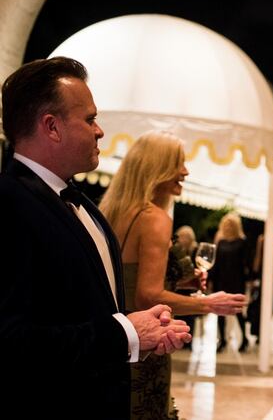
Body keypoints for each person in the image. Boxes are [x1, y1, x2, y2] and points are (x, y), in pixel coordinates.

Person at [0, 57, 191, 419]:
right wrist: (125, 334)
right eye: (89, 119)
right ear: (51, 127)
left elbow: (83, 312)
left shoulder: (82, 204)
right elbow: (12, 341)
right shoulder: (9, 205)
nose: (100, 131)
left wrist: (142, 330)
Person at [99, 131, 247, 418]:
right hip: (146, 346)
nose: (185, 171)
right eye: (178, 163)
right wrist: (209, 303)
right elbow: (148, 295)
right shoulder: (154, 218)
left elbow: (128, 276)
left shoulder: (111, 212)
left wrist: (181, 280)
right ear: (157, 168)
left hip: (114, 339)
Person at [212, 212, 251, 352]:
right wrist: (211, 280)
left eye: (230, 224)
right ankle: (222, 340)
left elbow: (246, 263)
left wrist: (249, 281)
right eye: (226, 224)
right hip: (221, 280)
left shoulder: (242, 242)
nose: (228, 226)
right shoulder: (220, 242)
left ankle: (244, 339)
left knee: (238, 311)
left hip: (236, 280)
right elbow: (215, 263)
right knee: (220, 311)